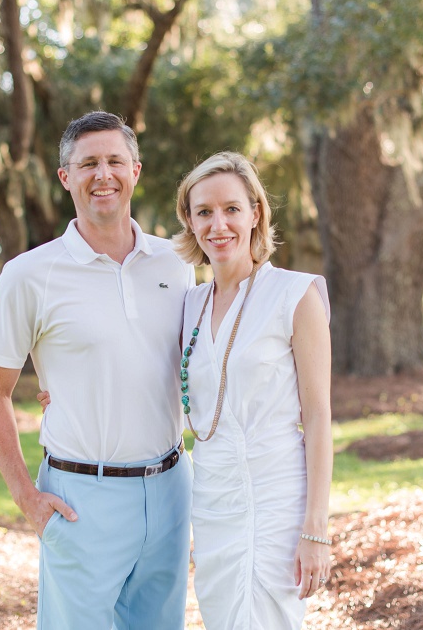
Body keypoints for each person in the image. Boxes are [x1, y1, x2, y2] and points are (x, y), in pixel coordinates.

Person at [0, 111, 194, 630]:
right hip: (80, 498)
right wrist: (26, 496)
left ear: (135, 171)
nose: (103, 175)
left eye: (115, 161)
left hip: (170, 488)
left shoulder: (177, 261)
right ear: (65, 177)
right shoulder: (27, 275)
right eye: (88, 163)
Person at [172, 151, 333, 629]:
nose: (218, 224)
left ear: (255, 213)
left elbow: (320, 415)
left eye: (231, 209)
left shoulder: (295, 294)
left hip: (276, 497)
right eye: (204, 212)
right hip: (213, 499)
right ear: (190, 220)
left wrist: (316, 530)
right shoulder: (190, 306)